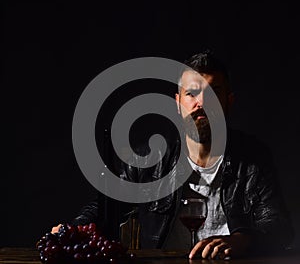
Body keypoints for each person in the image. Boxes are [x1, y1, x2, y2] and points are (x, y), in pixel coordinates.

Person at [51, 49, 294, 259]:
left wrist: (241, 241)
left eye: (213, 92)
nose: (202, 103)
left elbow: (279, 227)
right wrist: (71, 230)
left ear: (228, 102)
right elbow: (106, 211)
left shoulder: (253, 158)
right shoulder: (150, 160)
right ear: (178, 104)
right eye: (192, 94)